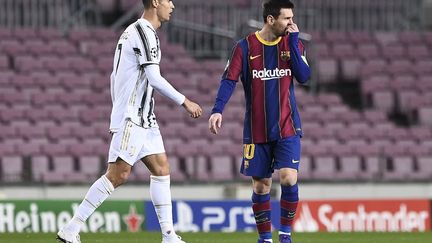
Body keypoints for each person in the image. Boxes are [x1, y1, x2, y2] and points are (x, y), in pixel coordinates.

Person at [57, 0, 202, 242]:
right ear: (155, 2)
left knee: (161, 169)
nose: (173, 5)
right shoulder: (144, 32)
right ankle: (72, 228)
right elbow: (154, 78)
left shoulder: (134, 32)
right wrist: (185, 101)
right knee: (118, 175)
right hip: (134, 117)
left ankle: (168, 235)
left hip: (144, 117)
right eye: (168, 0)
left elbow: (114, 76)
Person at [208, 0, 310, 242]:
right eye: (286, 18)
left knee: (288, 177)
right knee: (261, 186)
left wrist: (293, 44)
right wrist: (217, 109)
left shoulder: (294, 43)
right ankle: (265, 238)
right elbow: (229, 80)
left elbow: (304, 76)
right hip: (257, 130)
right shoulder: (244, 47)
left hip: (288, 126)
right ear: (270, 19)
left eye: (292, 17)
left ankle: (285, 234)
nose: (292, 23)